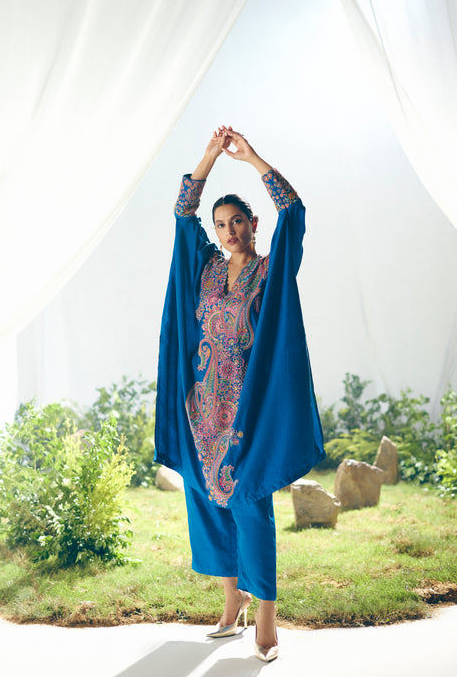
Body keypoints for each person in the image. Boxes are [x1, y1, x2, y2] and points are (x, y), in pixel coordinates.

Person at [155, 126, 324, 662]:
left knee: (250, 506)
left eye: (238, 222)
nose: (229, 231)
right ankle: (232, 603)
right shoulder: (205, 269)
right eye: (222, 225)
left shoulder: (271, 271)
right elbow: (182, 216)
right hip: (201, 408)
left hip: (248, 411)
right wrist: (208, 156)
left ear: (253, 224)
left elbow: (294, 212)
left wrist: (251, 158)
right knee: (206, 502)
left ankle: (267, 620)